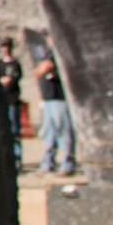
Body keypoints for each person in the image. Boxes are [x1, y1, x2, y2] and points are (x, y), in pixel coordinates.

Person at [36, 31, 77, 176]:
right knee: (49, 133)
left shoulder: (59, 52)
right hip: (48, 98)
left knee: (64, 131)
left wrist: (41, 70)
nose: (49, 39)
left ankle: (67, 164)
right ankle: (48, 162)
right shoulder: (47, 53)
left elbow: (44, 68)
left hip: (59, 98)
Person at [0, 38, 25, 161]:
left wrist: (6, 82)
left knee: (14, 129)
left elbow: (14, 79)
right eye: (4, 46)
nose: (6, 48)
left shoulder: (15, 64)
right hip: (0, 101)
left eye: (8, 46)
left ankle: (17, 157)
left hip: (12, 100)